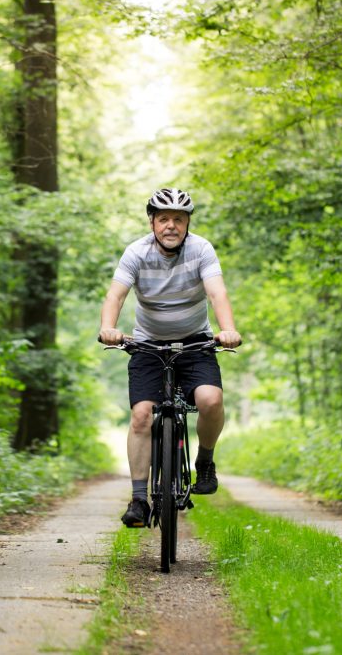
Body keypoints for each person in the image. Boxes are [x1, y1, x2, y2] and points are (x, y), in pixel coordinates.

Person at [99, 188, 242, 528]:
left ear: (188, 223)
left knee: (210, 400)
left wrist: (228, 329)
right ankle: (138, 499)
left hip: (195, 344)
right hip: (148, 345)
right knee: (141, 416)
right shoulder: (136, 252)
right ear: (152, 222)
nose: (171, 226)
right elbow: (115, 294)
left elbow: (216, 291)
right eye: (163, 219)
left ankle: (204, 462)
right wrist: (108, 327)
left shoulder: (201, 249)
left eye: (178, 219)